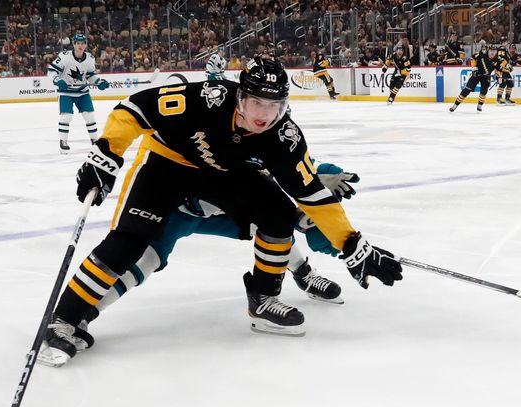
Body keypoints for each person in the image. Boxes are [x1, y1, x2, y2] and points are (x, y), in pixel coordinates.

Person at [40, 58, 402, 361]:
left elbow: (312, 195)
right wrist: (106, 153)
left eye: (273, 106)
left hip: (222, 177)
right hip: (167, 165)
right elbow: (134, 109)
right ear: (240, 97)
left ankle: (263, 300)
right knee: (130, 242)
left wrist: (351, 243)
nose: (264, 115)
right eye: (257, 104)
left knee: (279, 213)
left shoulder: (283, 137)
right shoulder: (206, 99)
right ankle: (65, 319)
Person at [37, 162, 359, 367]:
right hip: (179, 209)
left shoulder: (279, 152)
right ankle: (81, 314)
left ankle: (302, 274)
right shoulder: (224, 143)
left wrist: (339, 236)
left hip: (224, 210)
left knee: (274, 224)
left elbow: (302, 197)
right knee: (144, 260)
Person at [47, 33, 110, 154]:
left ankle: (94, 140)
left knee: (90, 116)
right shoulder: (65, 56)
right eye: (78, 43)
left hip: (82, 92)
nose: (80, 46)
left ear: (86, 44)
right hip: (65, 92)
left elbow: (90, 75)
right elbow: (51, 71)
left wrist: (99, 82)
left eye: (82, 43)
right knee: (66, 117)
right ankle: (63, 142)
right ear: (74, 45)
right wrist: (57, 81)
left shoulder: (90, 58)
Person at [449, 45, 497, 113]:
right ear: (488, 50)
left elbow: (498, 68)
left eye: (494, 51)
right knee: (466, 90)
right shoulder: (482, 54)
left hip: (486, 76)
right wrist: (474, 69)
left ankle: (479, 106)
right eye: (491, 51)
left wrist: (496, 75)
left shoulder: (497, 58)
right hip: (476, 74)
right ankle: (455, 105)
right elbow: (472, 58)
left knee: (483, 92)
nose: (493, 52)